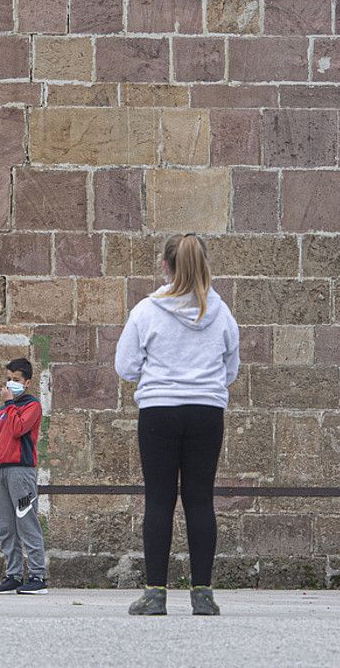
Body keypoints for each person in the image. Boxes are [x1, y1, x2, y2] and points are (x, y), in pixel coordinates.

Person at [115, 234, 240, 617]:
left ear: (166, 266)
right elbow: (230, 370)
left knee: (159, 499)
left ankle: (155, 594)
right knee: (200, 499)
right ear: (204, 265)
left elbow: (125, 367)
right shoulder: (221, 313)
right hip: (206, 411)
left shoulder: (146, 311)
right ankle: (202, 595)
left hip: (159, 411)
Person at [0, 358, 47, 595]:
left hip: (20, 472)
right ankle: (13, 574)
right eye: (8, 379)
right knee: (5, 526)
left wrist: (9, 404)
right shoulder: (3, 410)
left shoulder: (31, 406)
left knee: (26, 521)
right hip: (0, 471)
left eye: (16, 380)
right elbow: (1, 439)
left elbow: (18, 430)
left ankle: (37, 575)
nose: (10, 384)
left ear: (27, 382)